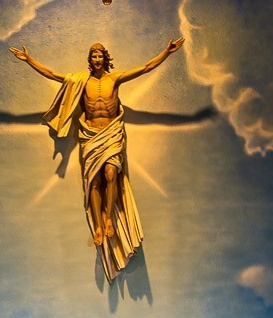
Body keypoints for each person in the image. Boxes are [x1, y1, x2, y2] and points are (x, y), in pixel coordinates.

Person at [10, 38, 184, 283]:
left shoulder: (115, 79)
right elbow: (50, 74)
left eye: (100, 55)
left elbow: (145, 68)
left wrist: (167, 51)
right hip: (91, 136)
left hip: (112, 133)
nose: (97, 59)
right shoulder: (80, 81)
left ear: (106, 58)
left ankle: (110, 217)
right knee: (93, 183)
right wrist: (29, 61)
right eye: (93, 55)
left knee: (112, 175)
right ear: (90, 60)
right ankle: (100, 225)